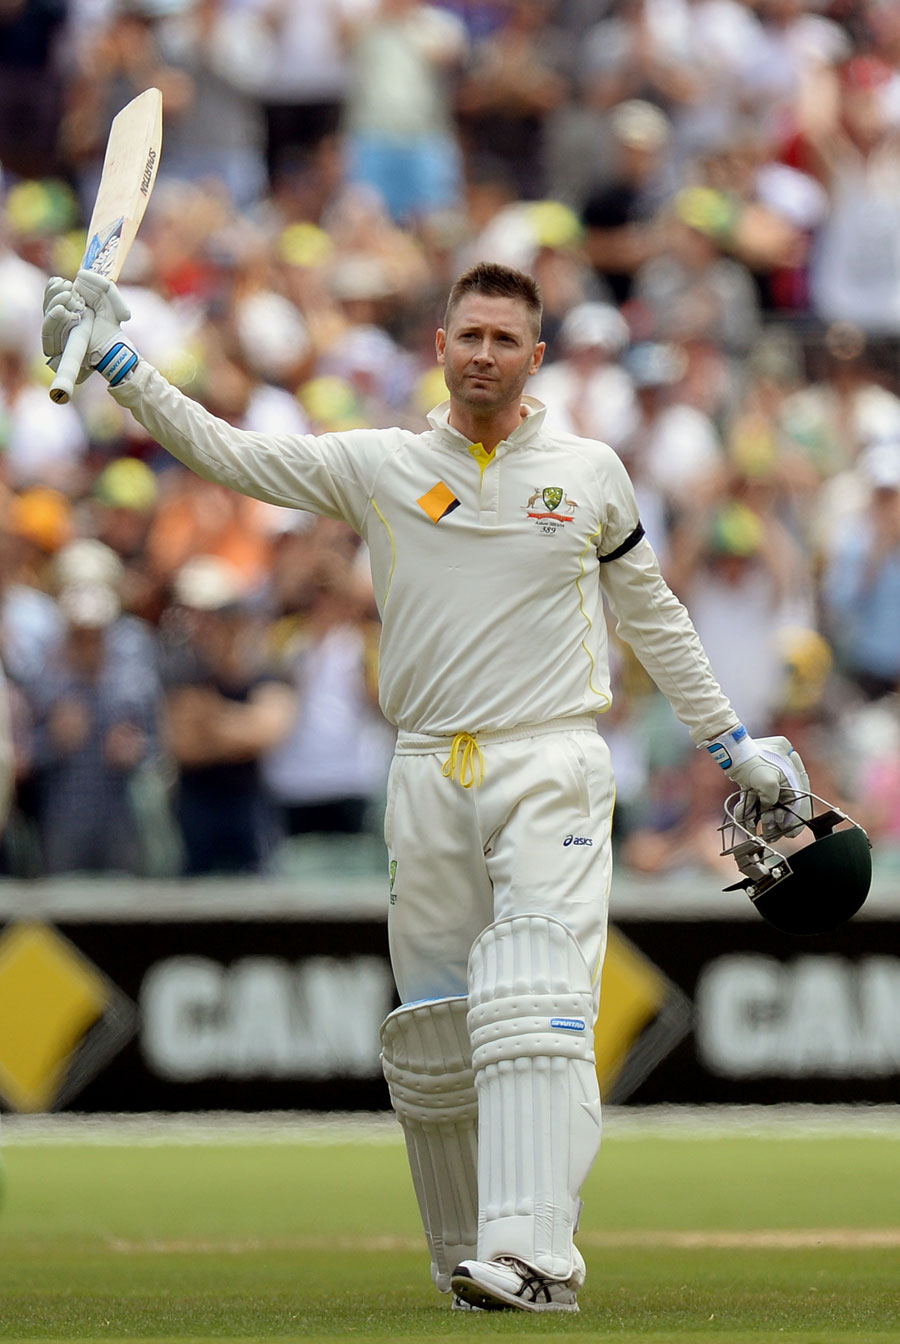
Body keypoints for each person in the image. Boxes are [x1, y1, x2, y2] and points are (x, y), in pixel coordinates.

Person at [41, 260, 811, 1313]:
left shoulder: (589, 473)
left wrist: (732, 745)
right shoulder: (383, 465)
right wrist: (120, 364)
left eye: (506, 339)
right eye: (470, 336)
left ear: (536, 358)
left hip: (549, 758)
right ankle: (470, 1260)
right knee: (439, 1029)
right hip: (426, 768)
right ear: (441, 348)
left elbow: (656, 618)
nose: (485, 354)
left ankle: (540, 1256)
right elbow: (232, 453)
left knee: (537, 995)